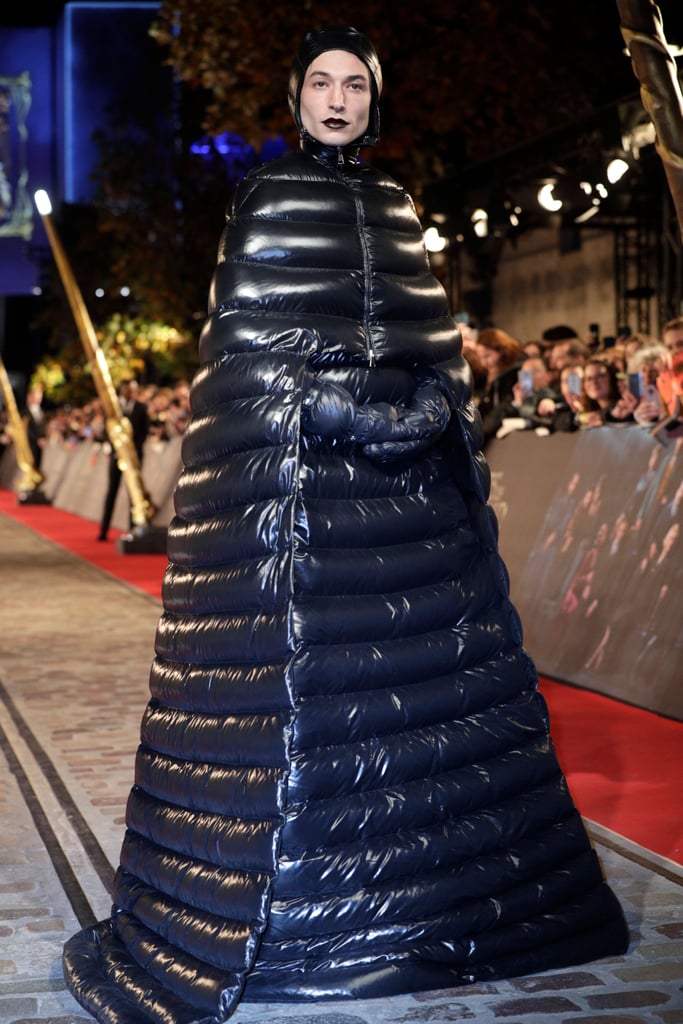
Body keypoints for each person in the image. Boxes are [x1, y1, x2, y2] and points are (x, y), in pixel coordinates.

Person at [63, 26, 628, 1023]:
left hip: (408, 505)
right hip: (305, 510)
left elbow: (428, 339)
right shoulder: (268, 201)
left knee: (432, 697)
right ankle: (289, 930)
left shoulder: (397, 204)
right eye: (320, 83)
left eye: (353, 84)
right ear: (295, 98)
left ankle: (444, 915)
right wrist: (330, 409)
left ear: (374, 98)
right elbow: (243, 361)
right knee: (307, 707)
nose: (336, 98)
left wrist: (429, 407)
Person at [96, 379, 149, 540]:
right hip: (116, 457)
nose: (132, 392)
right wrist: (116, 449)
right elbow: (108, 429)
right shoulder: (112, 407)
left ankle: (132, 530)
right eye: (129, 389)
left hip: (134, 458)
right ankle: (103, 530)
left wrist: (131, 450)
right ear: (122, 390)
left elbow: (144, 432)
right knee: (111, 491)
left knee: (133, 492)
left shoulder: (141, 408)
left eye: (134, 389)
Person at [474, 326, 524, 441]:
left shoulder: (518, 372)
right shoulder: (493, 376)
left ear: (501, 350)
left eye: (487, 356)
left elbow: (505, 406)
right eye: (480, 358)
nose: (483, 363)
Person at [577, 358, 637, 428]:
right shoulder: (585, 411)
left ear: (612, 379)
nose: (594, 382)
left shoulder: (625, 405)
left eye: (600, 376)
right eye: (589, 378)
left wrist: (603, 417)